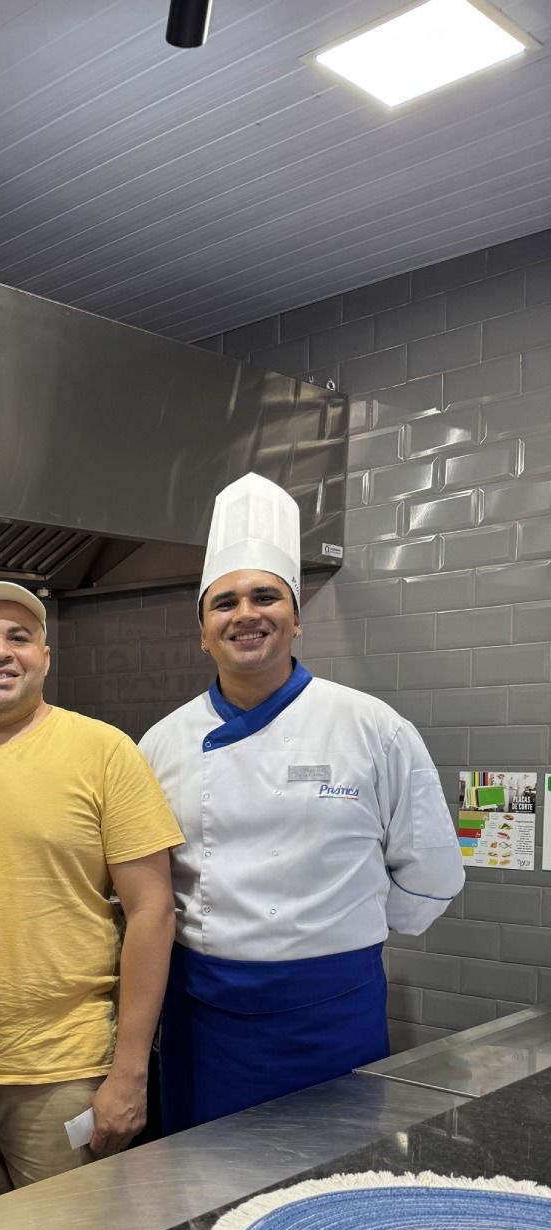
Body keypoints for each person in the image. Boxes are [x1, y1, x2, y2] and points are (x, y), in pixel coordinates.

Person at [139, 472, 465, 1133]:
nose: (245, 613)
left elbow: (433, 873)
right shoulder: (160, 744)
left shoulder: (373, 728)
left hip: (332, 1012)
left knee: (333, 1173)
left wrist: (335, 929)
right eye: (224, 602)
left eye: (266, 596)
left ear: (296, 619)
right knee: (200, 1180)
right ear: (202, 630)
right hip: (202, 1017)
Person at [0, 581, 182, 1211]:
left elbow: (153, 911)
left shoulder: (105, 752)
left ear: (45, 659)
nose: (0, 652)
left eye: (19, 638)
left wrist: (130, 1072)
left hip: (66, 1071)